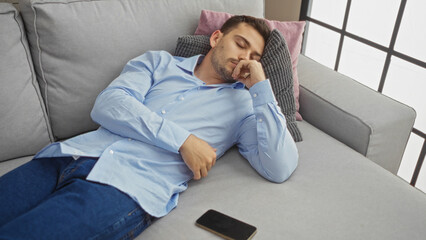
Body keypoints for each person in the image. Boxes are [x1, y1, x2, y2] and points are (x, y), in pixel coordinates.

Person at [0, 15, 298, 239]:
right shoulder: (159, 63)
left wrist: (260, 86)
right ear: (216, 38)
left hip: (127, 188)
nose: (244, 58)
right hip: (69, 156)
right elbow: (109, 104)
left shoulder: (244, 108)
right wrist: (183, 141)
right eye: (240, 44)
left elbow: (280, 167)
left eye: (254, 57)